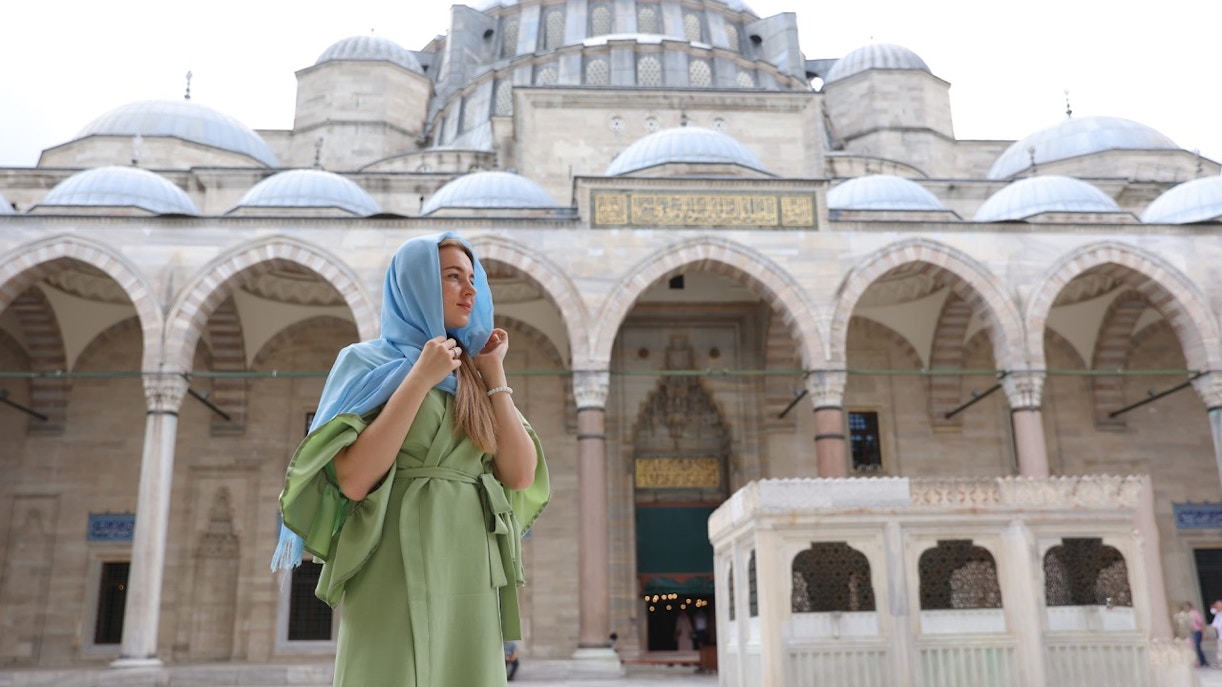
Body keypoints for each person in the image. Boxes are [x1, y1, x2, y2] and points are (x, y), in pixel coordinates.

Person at [271, 232, 550, 686]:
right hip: (392, 557)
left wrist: (494, 370)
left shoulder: (474, 378)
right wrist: (420, 377)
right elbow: (354, 480)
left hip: (472, 563)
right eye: (453, 277)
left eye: (473, 279)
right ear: (416, 283)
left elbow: (519, 474)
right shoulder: (364, 362)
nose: (470, 290)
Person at [1186, 602, 1209, 668]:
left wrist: (1204, 632)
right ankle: (1198, 661)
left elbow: (1200, 622)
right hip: (1192, 632)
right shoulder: (1188, 614)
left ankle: (1203, 661)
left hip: (1197, 631)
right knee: (1194, 646)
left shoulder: (1195, 613)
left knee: (1198, 646)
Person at [1212, 600, 1222, 668]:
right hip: (1220, 635)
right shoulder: (1218, 614)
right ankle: (1220, 663)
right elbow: (1215, 623)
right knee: (1220, 650)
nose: (1217, 608)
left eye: (1218, 606)